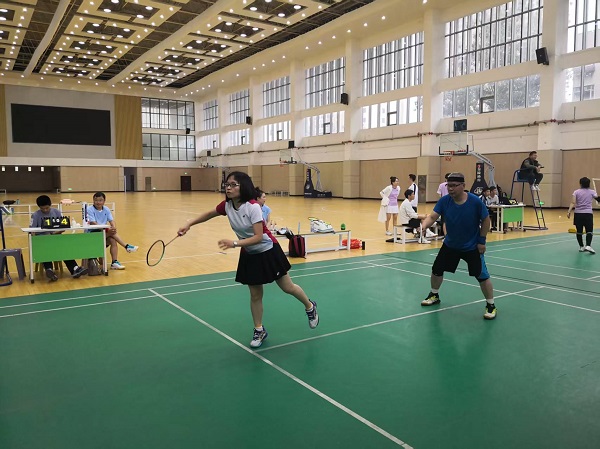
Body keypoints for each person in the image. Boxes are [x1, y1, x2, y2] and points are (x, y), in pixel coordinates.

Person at [177, 171, 319, 348]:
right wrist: (188, 224)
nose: (228, 188)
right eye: (227, 184)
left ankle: (310, 306)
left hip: (268, 250)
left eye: (233, 185)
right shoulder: (227, 205)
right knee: (255, 294)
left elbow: (258, 237)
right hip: (249, 252)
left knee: (287, 287)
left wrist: (235, 243)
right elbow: (209, 214)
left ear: (243, 186)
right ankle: (259, 329)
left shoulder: (253, 207)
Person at [418, 173, 497, 320]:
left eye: (454, 186)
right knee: (436, 270)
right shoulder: (444, 201)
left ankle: (491, 305)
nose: (451, 189)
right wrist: (424, 226)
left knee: (482, 276)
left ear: (463, 186)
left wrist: (481, 241)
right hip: (450, 245)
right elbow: (433, 216)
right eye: (449, 185)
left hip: (471, 246)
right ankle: (434, 294)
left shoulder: (475, 201)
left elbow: (486, 220)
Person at [29, 195, 88, 281]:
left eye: (47, 208)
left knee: (64, 249)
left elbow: (63, 227)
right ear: (39, 207)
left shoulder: (56, 212)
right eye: (42, 209)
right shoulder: (35, 215)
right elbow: (31, 231)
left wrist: (55, 233)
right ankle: (49, 270)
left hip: (56, 239)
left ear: (50, 205)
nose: (45, 210)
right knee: (45, 249)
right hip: (43, 241)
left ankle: (75, 269)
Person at [86, 192, 138, 270]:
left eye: (100, 200)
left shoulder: (106, 209)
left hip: (104, 232)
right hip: (93, 233)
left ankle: (114, 262)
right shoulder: (90, 209)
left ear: (104, 201)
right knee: (111, 233)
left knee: (113, 240)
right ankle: (126, 246)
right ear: (93, 201)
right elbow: (93, 222)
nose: (98, 202)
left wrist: (113, 227)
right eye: (96, 200)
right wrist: (107, 229)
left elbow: (111, 220)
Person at [567, 177, 599, 254]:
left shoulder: (576, 192)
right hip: (588, 214)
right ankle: (588, 245)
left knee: (579, 231)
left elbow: (573, 202)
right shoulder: (592, 192)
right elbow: (598, 199)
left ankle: (581, 246)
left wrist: (569, 211)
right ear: (589, 184)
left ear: (580, 184)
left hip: (578, 214)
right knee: (589, 231)